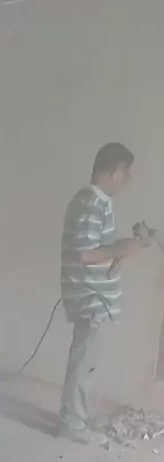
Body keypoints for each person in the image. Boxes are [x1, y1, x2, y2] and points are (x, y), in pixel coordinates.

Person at [58, 143, 150, 444]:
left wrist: (120, 252)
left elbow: (97, 249)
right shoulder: (90, 203)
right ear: (115, 170)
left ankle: (81, 414)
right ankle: (71, 421)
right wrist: (121, 248)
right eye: (127, 172)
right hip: (89, 296)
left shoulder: (99, 203)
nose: (128, 179)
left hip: (95, 295)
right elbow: (85, 254)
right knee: (83, 360)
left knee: (89, 361)